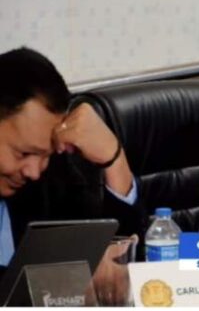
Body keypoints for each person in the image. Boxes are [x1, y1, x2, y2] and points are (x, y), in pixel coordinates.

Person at [0, 47, 142, 273]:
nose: (34, 172)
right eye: (23, 153)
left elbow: (127, 261)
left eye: (46, 155)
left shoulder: (52, 176)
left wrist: (114, 159)